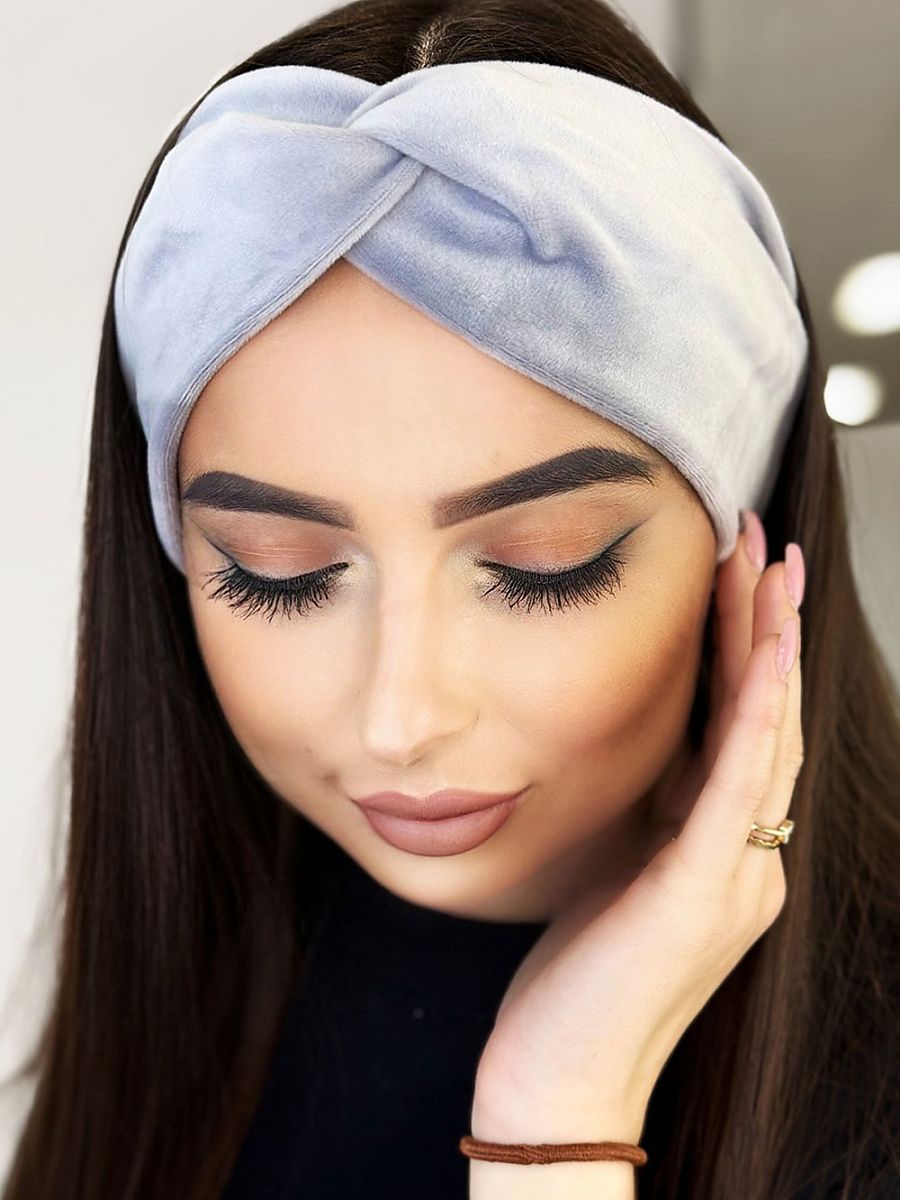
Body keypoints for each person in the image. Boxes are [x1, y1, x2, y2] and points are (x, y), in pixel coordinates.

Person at [2, 1, 899, 1198]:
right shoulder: (176, 998)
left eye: (544, 566)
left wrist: (560, 1122)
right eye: (278, 572)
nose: (401, 718)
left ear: (745, 537)